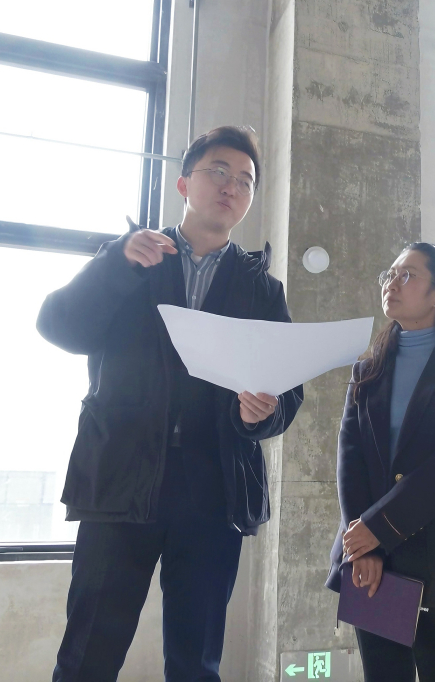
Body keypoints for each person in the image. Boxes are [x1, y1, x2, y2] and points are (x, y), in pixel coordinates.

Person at [37, 126, 304, 682]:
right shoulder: (134, 258)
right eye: (219, 172)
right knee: (88, 653)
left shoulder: (261, 288)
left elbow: (286, 390)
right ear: (184, 183)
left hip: (213, 490)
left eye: (246, 181)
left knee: (196, 662)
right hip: (122, 477)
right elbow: (60, 327)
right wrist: (115, 264)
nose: (232, 186)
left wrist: (262, 413)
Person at [325, 243, 435, 682]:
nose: (392, 283)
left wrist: (377, 529)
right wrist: (363, 541)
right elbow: (350, 459)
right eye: (390, 274)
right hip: (368, 554)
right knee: (383, 674)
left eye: (408, 275)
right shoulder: (368, 369)